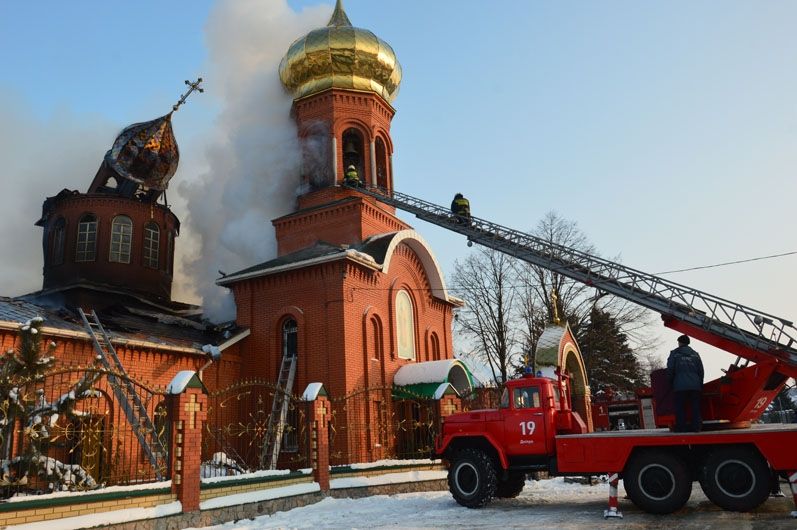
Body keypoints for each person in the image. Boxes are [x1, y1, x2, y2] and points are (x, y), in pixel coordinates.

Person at [667, 334, 704, 432]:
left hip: (680, 385)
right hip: (695, 385)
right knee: (695, 407)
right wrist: (700, 384)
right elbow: (701, 370)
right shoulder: (695, 354)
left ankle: (681, 427)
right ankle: (696, 427)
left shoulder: (675, 353)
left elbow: (670, 369)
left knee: (680, 407)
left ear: (680, 342)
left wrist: (670, 382)